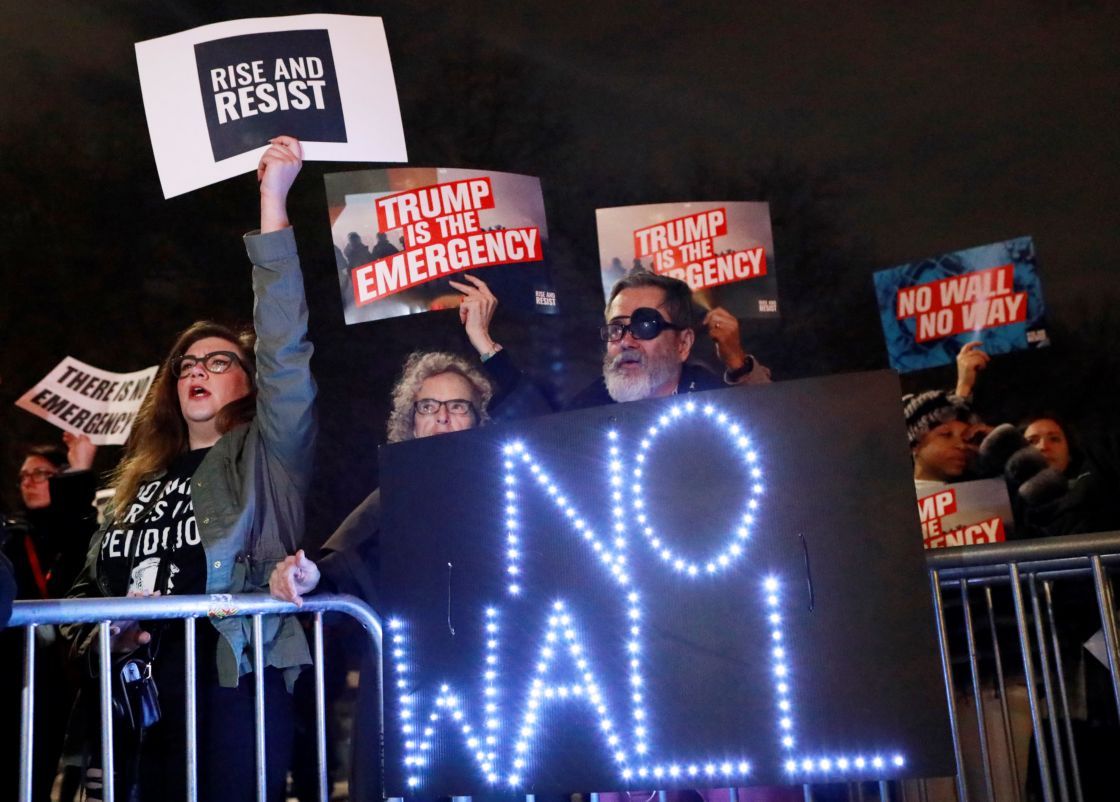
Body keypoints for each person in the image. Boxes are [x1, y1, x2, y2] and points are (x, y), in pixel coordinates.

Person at [62, 135, 316, 802]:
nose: (197, 370)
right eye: (186, 365)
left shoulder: (266, 457)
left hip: (231, 691)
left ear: (248, 380)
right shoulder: (134, 477)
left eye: (218, 361)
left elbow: (286, 348)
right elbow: (86, 585)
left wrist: (272, 201)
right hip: (138, 705)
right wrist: (104, 635)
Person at [270, 350, 493, 802]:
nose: (442, 418)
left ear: (478, 420)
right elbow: (343, 567)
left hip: (492, 692)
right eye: (428, 407)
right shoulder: (391, 496)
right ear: (411, 422)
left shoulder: (507, 485)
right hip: (407, 696)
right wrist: (305, 576)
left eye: (457, 406)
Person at [1, 434, 99, 802]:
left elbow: (79, 550)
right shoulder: (11, 532)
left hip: (59, 676)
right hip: (17, 671)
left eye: (40, 474)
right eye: (24, 475)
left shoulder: (74, 529)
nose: (28, 482)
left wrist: (78, 472)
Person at [568, 270, 770, 409]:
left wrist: (739, 365)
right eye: (616, 328)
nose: (626, 341)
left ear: (683, 344)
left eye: (646, 326)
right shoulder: (580, 415)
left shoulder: (712, 402)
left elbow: (774, 428)